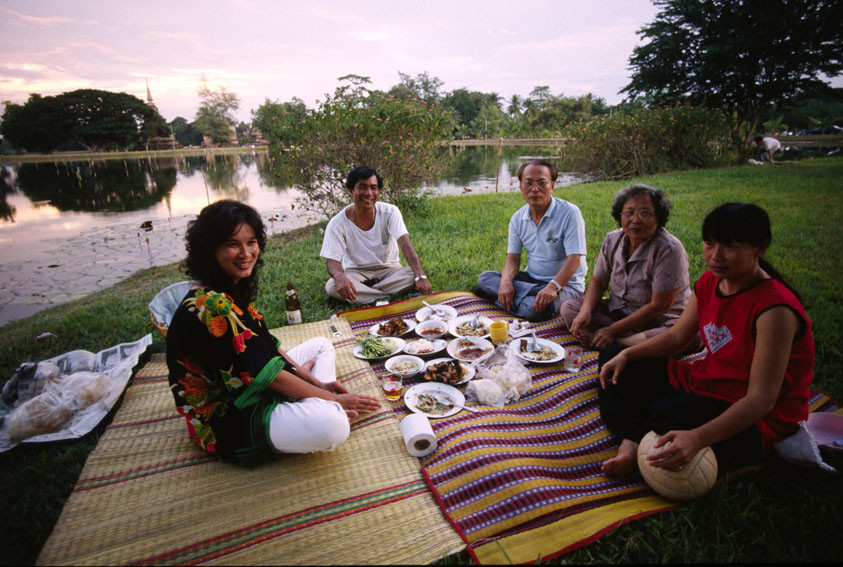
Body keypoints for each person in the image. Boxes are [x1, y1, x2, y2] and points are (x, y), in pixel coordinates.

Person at [597, 203, 814, 478]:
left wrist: (698, 438)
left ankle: (634, 439)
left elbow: (762, 400)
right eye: (709, 244)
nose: (715, 256)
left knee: (671, 413)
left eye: (730, 247)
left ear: (761, 247)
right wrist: (628, 355)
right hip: (705, 381)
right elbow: (676, 337)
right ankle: (637, 438)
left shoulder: (775, 310)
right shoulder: (711, 282)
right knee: (614, 361)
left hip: (754, 415)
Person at [166, 200, 380, 464]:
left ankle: (309, 400)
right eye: (233, 244)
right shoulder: (211, 306)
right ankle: (317, 406)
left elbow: (268, 348)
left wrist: (318, 384)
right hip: (227, 415)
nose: (245, 253)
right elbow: (270, 377)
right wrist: (334, 400)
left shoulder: (227, 288)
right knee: (334, 425)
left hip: (249, 381)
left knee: (322, 345)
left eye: (251, 242)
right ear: (210, 250)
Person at [561, 184, 698, 351]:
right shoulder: (613, 239)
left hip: (658, 321)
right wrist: (585, 311)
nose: (636, 219)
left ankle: (617, 341)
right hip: (619, 314)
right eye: (630, 212)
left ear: (658, 217)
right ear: (620, 215)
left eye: (645, 213)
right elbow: (598, 281)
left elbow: (660, 306)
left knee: (686, 336)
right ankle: (627, 340)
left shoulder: (669, 249)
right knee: (570, 308)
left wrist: (612, 331)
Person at [476, 159, 587, 321]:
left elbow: (575, 260)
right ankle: (523, 296)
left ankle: (505, 300)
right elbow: (513, 258)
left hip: (566, 286)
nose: (535, 189)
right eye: (528, 183)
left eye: (542, 183)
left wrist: (553, 287)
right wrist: (506, 282)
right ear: (520, 187)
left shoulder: (570, 213)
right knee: (485, 277)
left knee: (534, 311)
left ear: (553, 186)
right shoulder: (517, 218)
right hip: (532, 279)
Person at [320, 166, 433, 304]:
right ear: (351, 190)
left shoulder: (390, 212)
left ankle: (365, 294)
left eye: (373, 188)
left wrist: (420, 276)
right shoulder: (337, 223)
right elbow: (332, 261)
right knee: (332, 286)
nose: (368, 193)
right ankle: (387, 296)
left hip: (389, 270)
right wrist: (339, 276)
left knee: (414, 274)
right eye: (362, 187)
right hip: (357, 272)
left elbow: (405, 245)